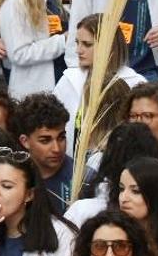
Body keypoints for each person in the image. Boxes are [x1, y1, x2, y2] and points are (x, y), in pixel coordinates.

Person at [57, 15, 145, 161]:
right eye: (77, 43)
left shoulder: (135, 82)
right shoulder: (69, 80)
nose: (78, 50)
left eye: (87, 44)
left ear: (109, 45)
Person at [10, 94, 77, 212]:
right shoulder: (9, 177)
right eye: (45, 140)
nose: (56, 148)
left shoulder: (83, 179)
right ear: (25, 141)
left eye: (61, 138)